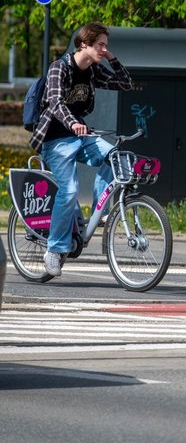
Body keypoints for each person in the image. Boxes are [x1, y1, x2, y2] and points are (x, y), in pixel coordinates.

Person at [30, 22, 133, 277]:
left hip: (80, 135)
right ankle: (54, 250)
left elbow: (126, 83)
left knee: (114, 157)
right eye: (100, 44)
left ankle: (101, 212)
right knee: (70, 189)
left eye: (106, 45)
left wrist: (113, 58)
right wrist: (73, 123)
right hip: (54, 139)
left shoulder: (93, 71)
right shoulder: (60, 68)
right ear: (84, 44)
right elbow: (54, 102)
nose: (104, 49)